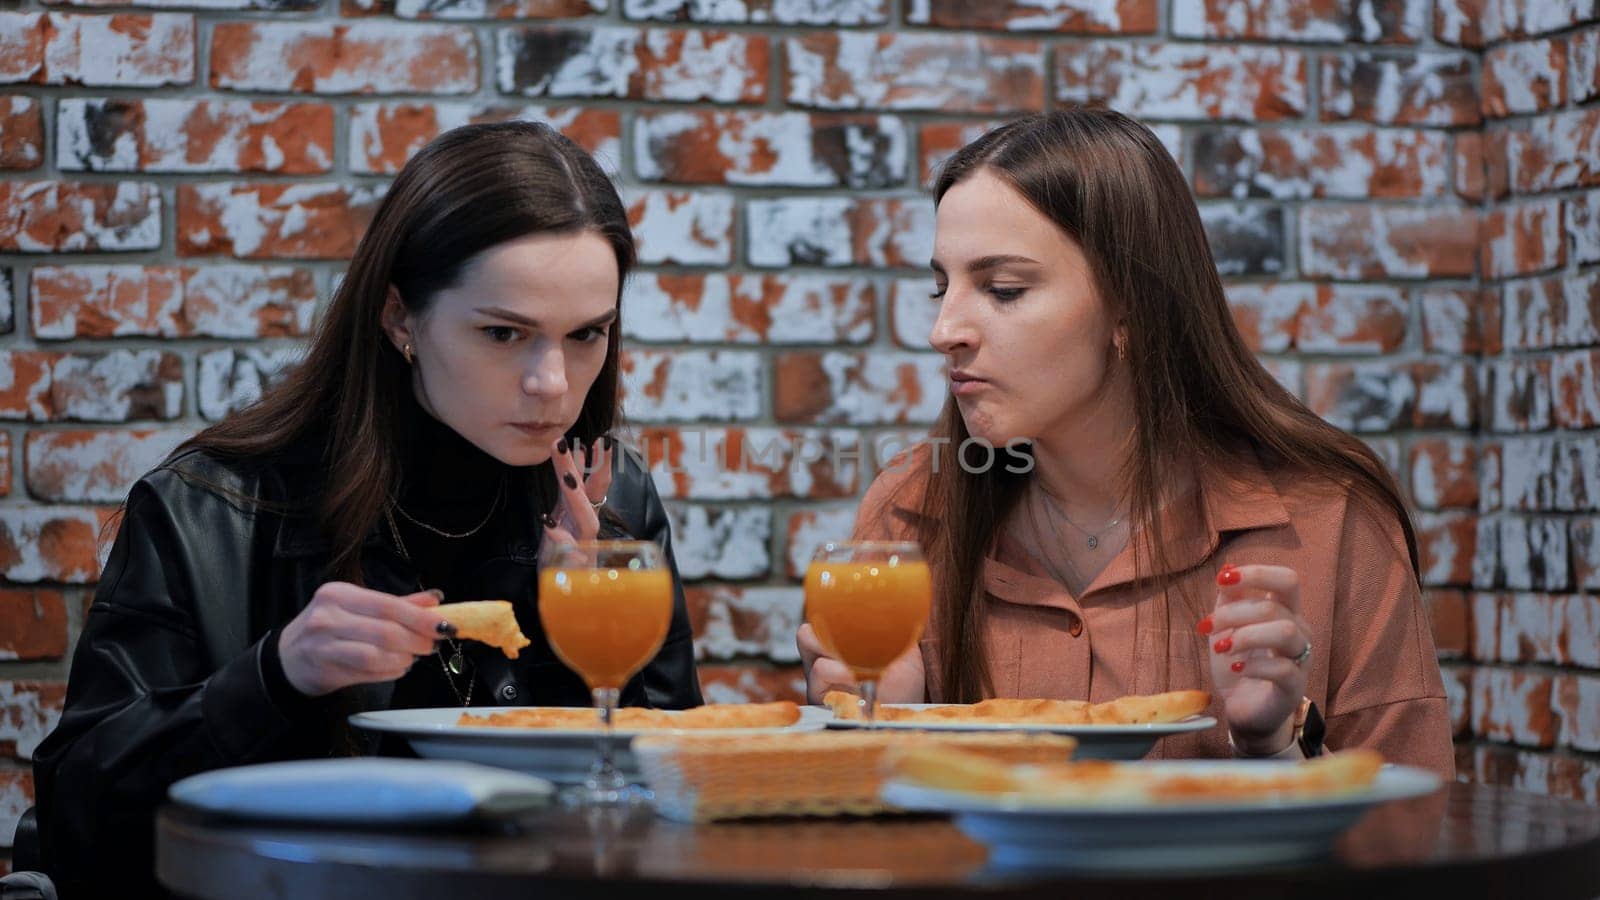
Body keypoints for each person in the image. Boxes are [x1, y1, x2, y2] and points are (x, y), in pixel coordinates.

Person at [25, 121, 704, 898]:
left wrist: (584, 642)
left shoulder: (611, 502)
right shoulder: (213, 509)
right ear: (400, 318)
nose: (551, 382)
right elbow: (77, 818)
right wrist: (276, 677)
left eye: (587, 335)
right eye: (503, 333)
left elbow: (680, 805)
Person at [798, 109, 1453, 778]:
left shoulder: (1330, 523)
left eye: (1003, 289)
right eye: (942, 286)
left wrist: (1275, 747)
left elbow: (1420, 836)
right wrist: (880, 730)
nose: (944, 329)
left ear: (1129, 309)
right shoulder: (906, 520)